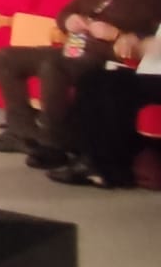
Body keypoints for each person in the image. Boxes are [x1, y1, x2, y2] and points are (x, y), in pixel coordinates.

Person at [0, 0, 161, 170]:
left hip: (105, 59)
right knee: (6, 57)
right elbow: (65, 13)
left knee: (53, 67)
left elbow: (154, 41)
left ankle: (55, 144)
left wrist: (117, 35)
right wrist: (69, 21)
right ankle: (21, 132)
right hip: (72, 48)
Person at [49, 29, 161, 189]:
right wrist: (139, 41)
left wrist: (151, 45)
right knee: (92, 79)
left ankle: (108, 169)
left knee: (115, 88)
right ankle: (91, 158)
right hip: (150, 71)